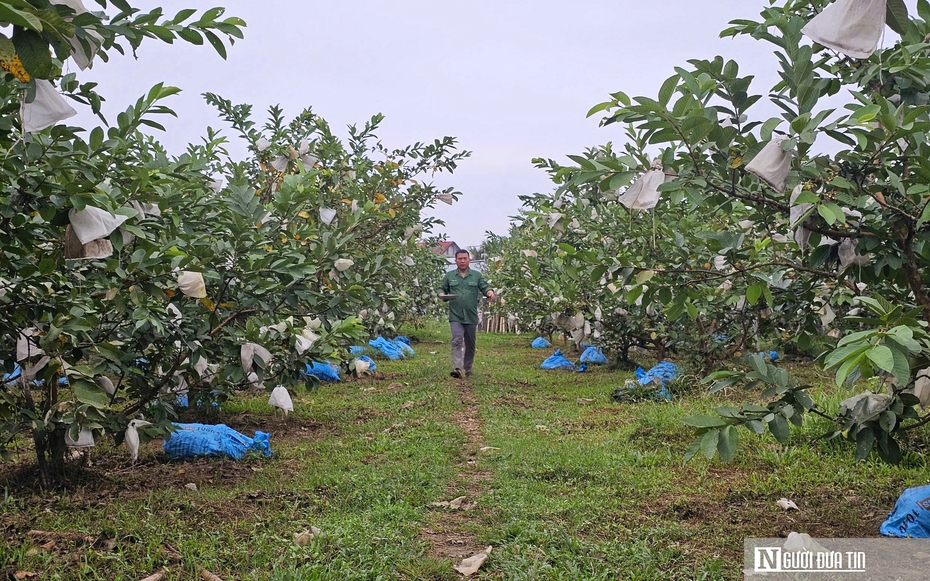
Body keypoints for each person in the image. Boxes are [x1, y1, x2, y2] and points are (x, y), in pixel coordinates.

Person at [439, 249, 494, 378]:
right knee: (457, 340)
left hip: (471, 316)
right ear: (456, 260)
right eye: (460, 259)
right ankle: (458, 368)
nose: (462, 261)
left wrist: (489, 292)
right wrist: (441, 294)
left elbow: (484, 286)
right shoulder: (450, 276)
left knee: (470, 343)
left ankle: (467, 368)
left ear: (469, 260)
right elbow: (441, 288)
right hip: (455, 315)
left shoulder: (476, 275)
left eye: (465, 258)